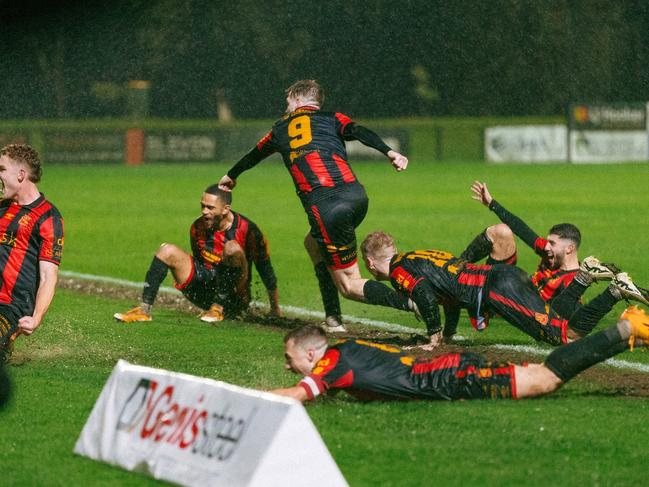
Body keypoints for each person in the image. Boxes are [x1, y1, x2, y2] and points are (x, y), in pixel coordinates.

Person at [218, 79, 415, 333]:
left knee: (348, 285)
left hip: (327, 208)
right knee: (313, 243)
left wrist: (231, 175)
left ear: (298, 100)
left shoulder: (280, 129)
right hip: (356, 197)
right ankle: (333, 318)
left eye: (288, 100)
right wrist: (390, 153)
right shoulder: (332, 118)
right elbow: (359, 131)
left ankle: (412, 301)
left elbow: (253, 154)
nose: (286, 105)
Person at [271, 307, 649, 402]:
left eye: (290, 359)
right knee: (537, 371)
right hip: (446, 370)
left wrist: (234, 397)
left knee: (543, 380)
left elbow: (298, 396)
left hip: (448, 378)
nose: (288, 366)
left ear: (310, 352)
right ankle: (627, 334)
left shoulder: (332, 363)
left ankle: (627, 328)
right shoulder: (348, 350)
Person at [360, 231, 648, 349]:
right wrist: (447, 333)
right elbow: (447, 296)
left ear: (372, 264)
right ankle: (583, 278)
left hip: (498, 290)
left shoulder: (399, 271)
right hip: (503, 278)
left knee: (565, 337)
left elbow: (423, 294)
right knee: (552, 315)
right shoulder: (417, 256)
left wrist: (433, 338)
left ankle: (615, 292)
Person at [114, 185, 280, 323]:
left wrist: (275, 309)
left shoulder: (248, 230)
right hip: (204, 290)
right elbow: (200, 264)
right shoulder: (198, 227)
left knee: (232, 249)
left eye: (210, 208)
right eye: (202, 206)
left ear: (225, 209)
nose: (204, 211)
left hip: (234, 297)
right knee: (166, 250)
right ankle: (143, 310)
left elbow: (266, 269)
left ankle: (218, 308)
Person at [0, 144, 64, 363]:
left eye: (1, 169)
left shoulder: (48, 218)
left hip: (12, 305)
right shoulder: (2, 206)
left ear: (20, 174)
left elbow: (48, 276)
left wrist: (36, 318)